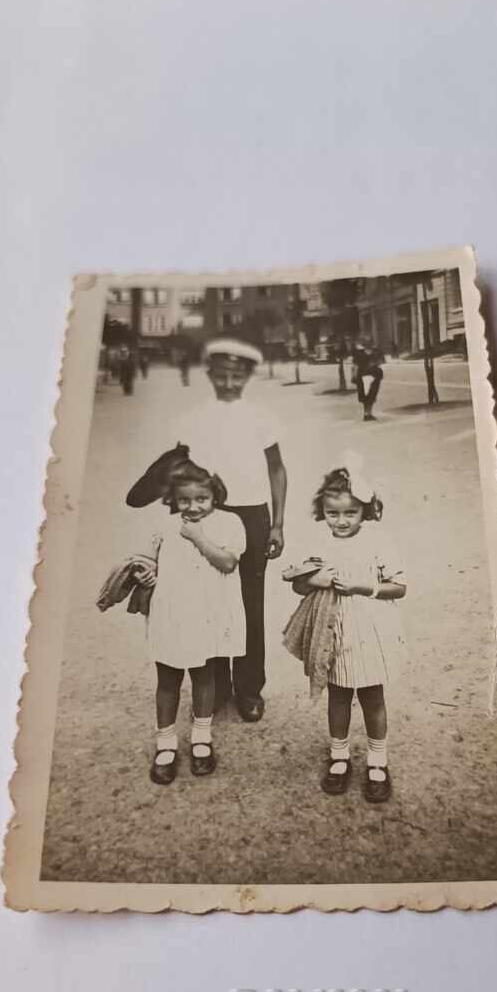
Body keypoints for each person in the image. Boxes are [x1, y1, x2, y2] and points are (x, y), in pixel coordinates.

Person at [126, 337, 287, 724]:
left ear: (248, 376)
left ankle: (249, 688)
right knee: (206, 598)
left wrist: (278, 523)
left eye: (238, 376)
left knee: (250, 602)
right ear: (211, 374)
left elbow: (277, 469)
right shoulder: (192, 418)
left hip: (251, 514)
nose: (230, 383)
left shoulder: (260, 416)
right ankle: (215, 685)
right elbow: (178, 471)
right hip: (205, 512)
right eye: (223, 375)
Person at [282, 454, 406, 803]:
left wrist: (362, 587)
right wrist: (315, 580)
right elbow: (298, 585)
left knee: (371, 696)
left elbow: (400, 586)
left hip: (370, 626)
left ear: (366, 511)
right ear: (323, 511)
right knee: (337, 694)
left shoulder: (378, 541)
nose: (341, 521)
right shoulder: (319, 543)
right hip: (331, 629)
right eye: (333, 513)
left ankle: (378, 762)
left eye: (350, 513)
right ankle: (339, 756)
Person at [131, 459, 246, 785]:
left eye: (202, 499)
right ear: (173, 499)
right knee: (167, 678)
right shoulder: (164, 525)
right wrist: (146, 571)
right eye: (185, 500)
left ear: (215, 495)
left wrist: (197, 536)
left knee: (203, 675)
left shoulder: (230, 522)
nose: (193, 507)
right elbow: (150, 559)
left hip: (206, 614)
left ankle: (201, 739)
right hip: (170, 611)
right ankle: (165, 743)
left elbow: (227, 562)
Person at [352, 342, 384, 421]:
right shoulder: (376, 352)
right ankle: (367, 414)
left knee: (369, 395)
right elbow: (380, 363)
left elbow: (355, 366)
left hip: (367, 376)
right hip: (371, 376)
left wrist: (354, 376)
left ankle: (367, 413)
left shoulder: (359, 353)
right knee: (370, 395)